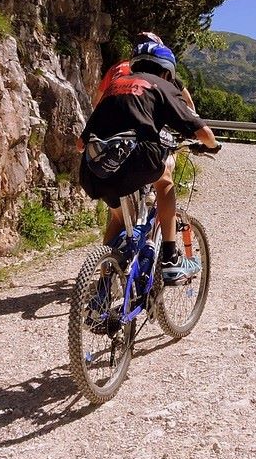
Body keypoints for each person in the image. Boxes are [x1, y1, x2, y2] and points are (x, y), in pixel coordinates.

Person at [78, 36, 219, 279]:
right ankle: (170, 258)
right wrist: (213, 146)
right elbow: (203, 132)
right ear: (167, 73)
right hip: (139, 161)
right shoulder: (162, 86)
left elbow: (81, 143)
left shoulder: (115, 86)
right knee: (164, 181)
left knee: (119, 219)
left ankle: (103, 284)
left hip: (93, 170)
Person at [92, 32, 198, 113]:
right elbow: (188, 101)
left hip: (110, 124)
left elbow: (97, 101)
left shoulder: (116, 67)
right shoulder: (164, 73)